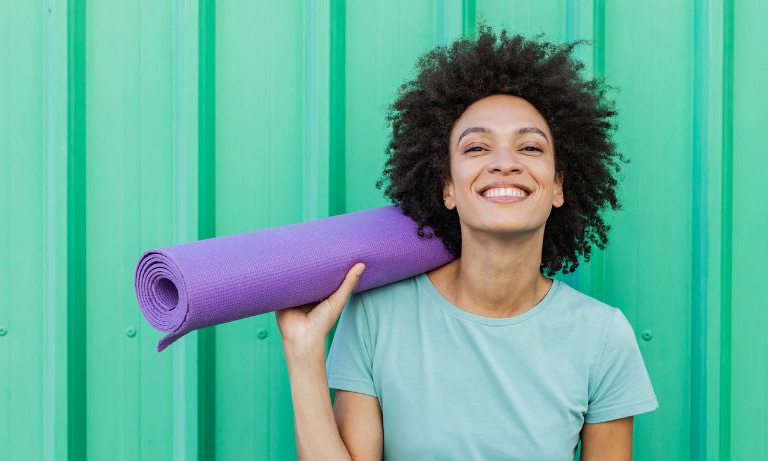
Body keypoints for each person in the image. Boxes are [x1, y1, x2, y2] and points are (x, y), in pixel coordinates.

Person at [275, 26, 657, 460]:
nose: (504, 163)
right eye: (476, 148)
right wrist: (303, 352)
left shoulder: (602, 336)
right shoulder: (376, 316)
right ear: (447, 188)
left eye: (530, 148)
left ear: (558, 188)